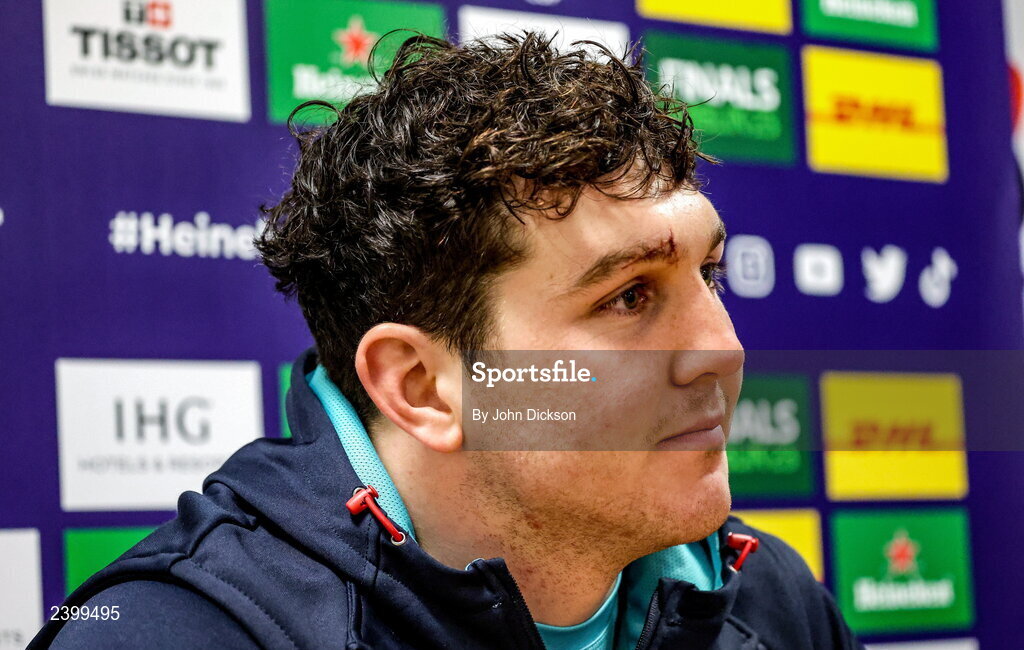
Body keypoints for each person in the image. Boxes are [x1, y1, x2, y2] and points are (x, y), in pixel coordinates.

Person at [32, 32, 863, 649]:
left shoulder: (767, 599)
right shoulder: (173, 635)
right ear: (423, 386)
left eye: (709, 274)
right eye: (629, 297)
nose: (721, 350)